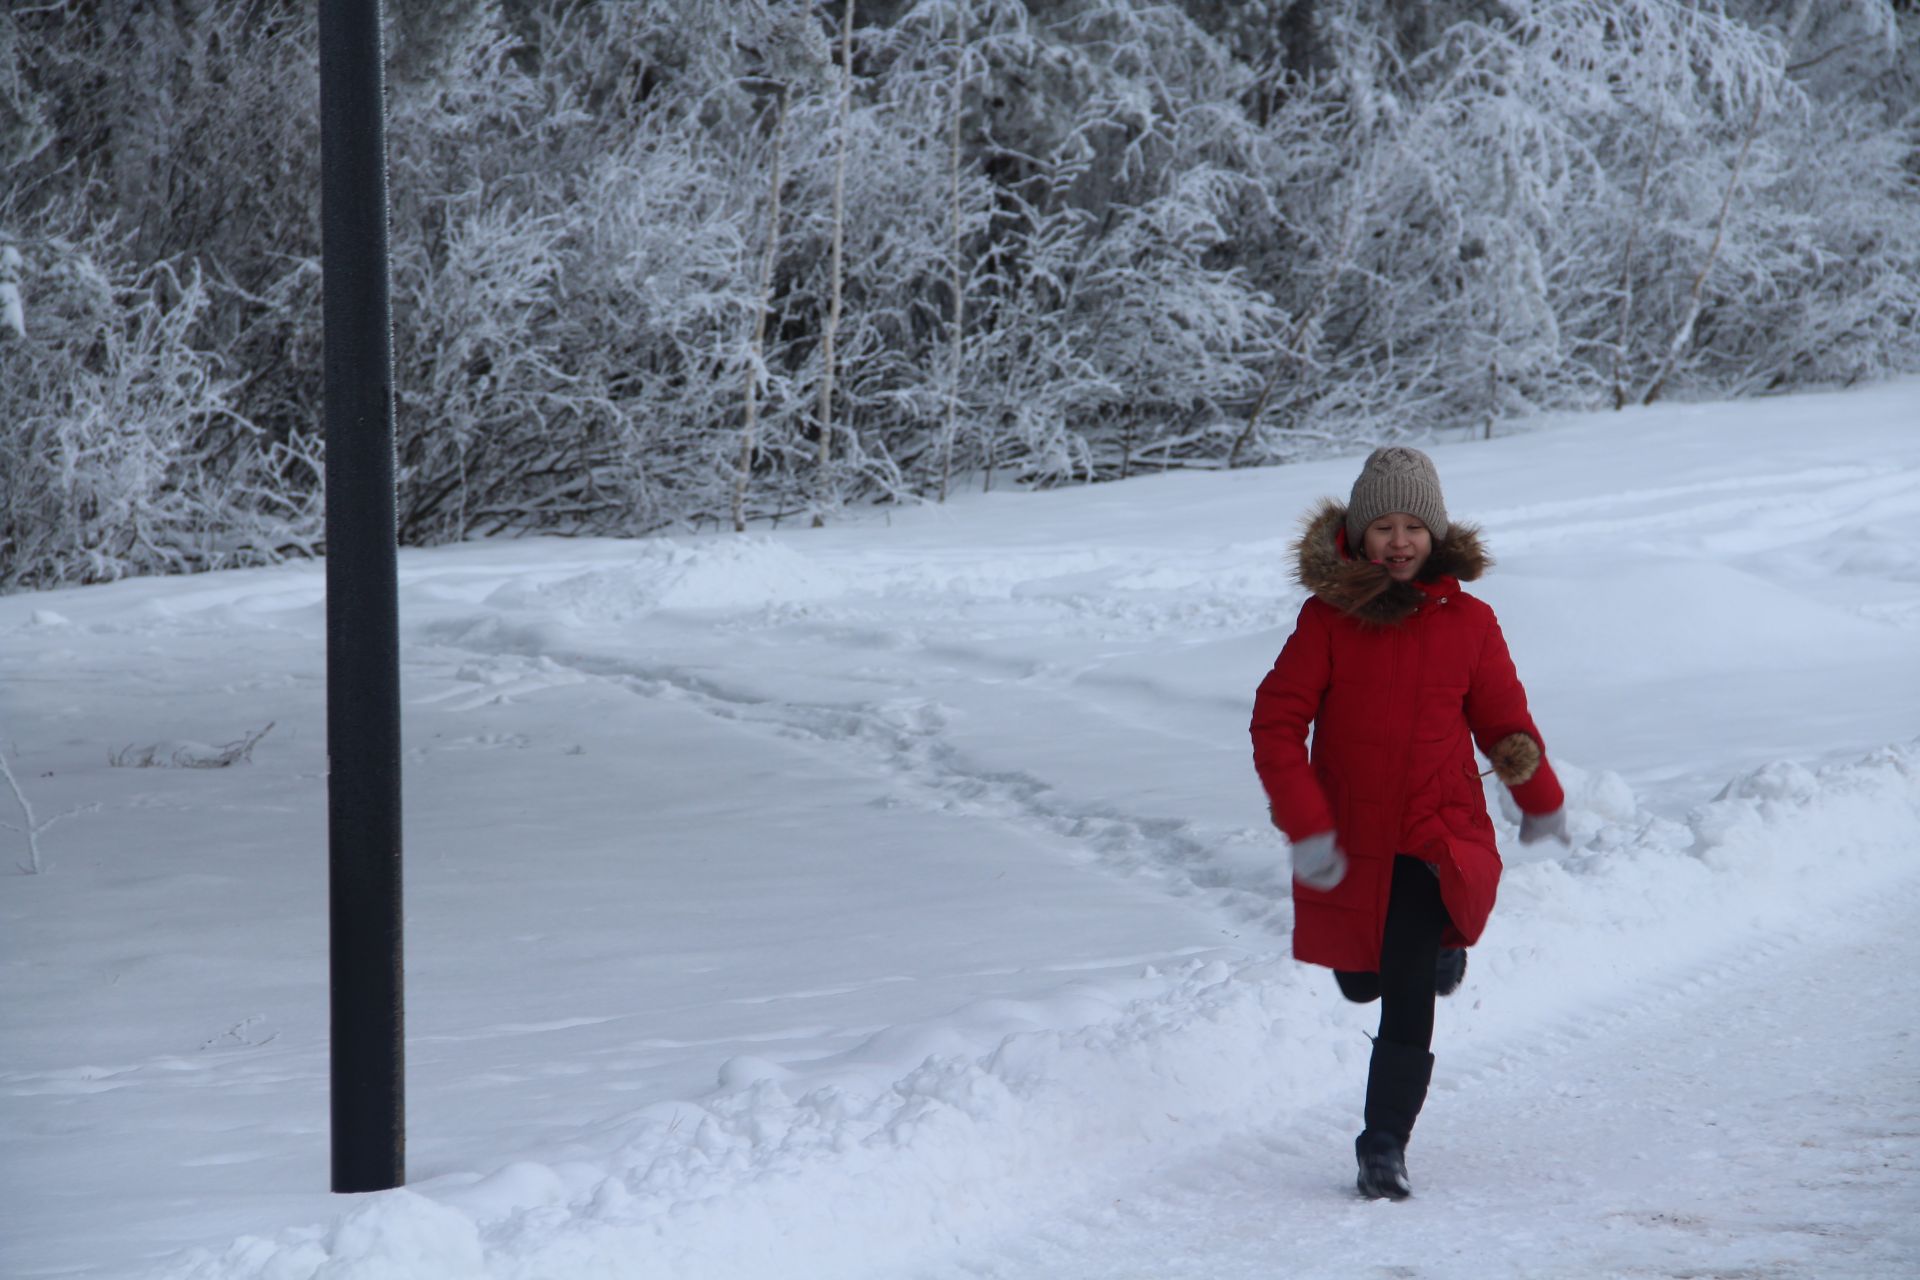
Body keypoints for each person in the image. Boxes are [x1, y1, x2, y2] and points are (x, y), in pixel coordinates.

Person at [1249, 445, 1568, 1200]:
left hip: (1433, 835)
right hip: (1353, 837)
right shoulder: (1327, 621)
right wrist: (1307, 823)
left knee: (1403, 995)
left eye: (1412, 526)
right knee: (1360, 980)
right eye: (1382, 526)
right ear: (1358, 537)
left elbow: (1502, 721)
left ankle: (1383, 1142)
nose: (1398, 540)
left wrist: (1541, 796)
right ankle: (1432, 959)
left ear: (1436, 533)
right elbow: (1276, 722)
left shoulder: (1470, 622)